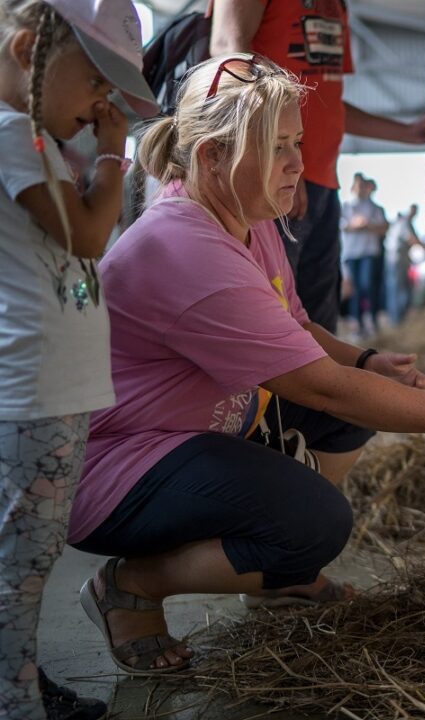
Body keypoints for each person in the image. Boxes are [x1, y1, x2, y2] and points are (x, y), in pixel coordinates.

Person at [67, 54, 425, 676]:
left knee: (358, 408)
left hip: (198, 429)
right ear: (212, 156)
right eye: (279, 148)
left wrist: (367, 359)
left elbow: (295, 327)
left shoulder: (246, 213)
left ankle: (277, 577)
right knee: (315, 523)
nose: (298, 163)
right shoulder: (184, 246)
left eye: (297, 142)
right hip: (117, 469)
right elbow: (324, 389)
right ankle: (131, 587)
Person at [0, 0, 159, 716]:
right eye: (96, 81)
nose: (104, 104)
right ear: (29, 48)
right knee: (21, 564)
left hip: (51, 387)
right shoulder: (12, 135)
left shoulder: (30, 140)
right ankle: (15, 698)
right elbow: (90, 235)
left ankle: (22, 676)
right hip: (35, 388)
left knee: (29, 557)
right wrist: (113, 156)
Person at [210, 0, 425, 334]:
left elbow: (326, 101)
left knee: (315, 321)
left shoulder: (335, 4)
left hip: (322, 180)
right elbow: (228, 55)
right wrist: (277, 159)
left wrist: (404, 133)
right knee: (272, 323)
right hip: (274, 182)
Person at [340, 173, 386, 336]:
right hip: (351, 253)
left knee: (367, 285)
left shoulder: (374, 207)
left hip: (369, 252)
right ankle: (358, 324)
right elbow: (342, 226)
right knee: (356, 289)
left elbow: (382, 228)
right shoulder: (347, 206)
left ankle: (372, 320)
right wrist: (356, 225)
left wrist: (368, 225)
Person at [383, 203, 419, 327]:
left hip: (398, 258)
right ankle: (396, 320)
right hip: (397, 259)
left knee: (399, 287)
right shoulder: (404, 223)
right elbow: (411, 238)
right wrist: (424, 246)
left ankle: (398, 318)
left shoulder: (401, 222)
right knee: (397, 288)